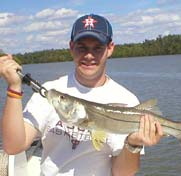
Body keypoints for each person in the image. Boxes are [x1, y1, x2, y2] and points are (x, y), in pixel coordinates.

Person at [0, 14, 163, 176]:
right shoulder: (51, 90)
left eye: (97, 48)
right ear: (71, 47)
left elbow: (122, 172)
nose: (89, 55)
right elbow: (13, 146)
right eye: (82, 47)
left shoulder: (127, 101)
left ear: (110, 48)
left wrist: (133, 144)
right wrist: (14, 87)